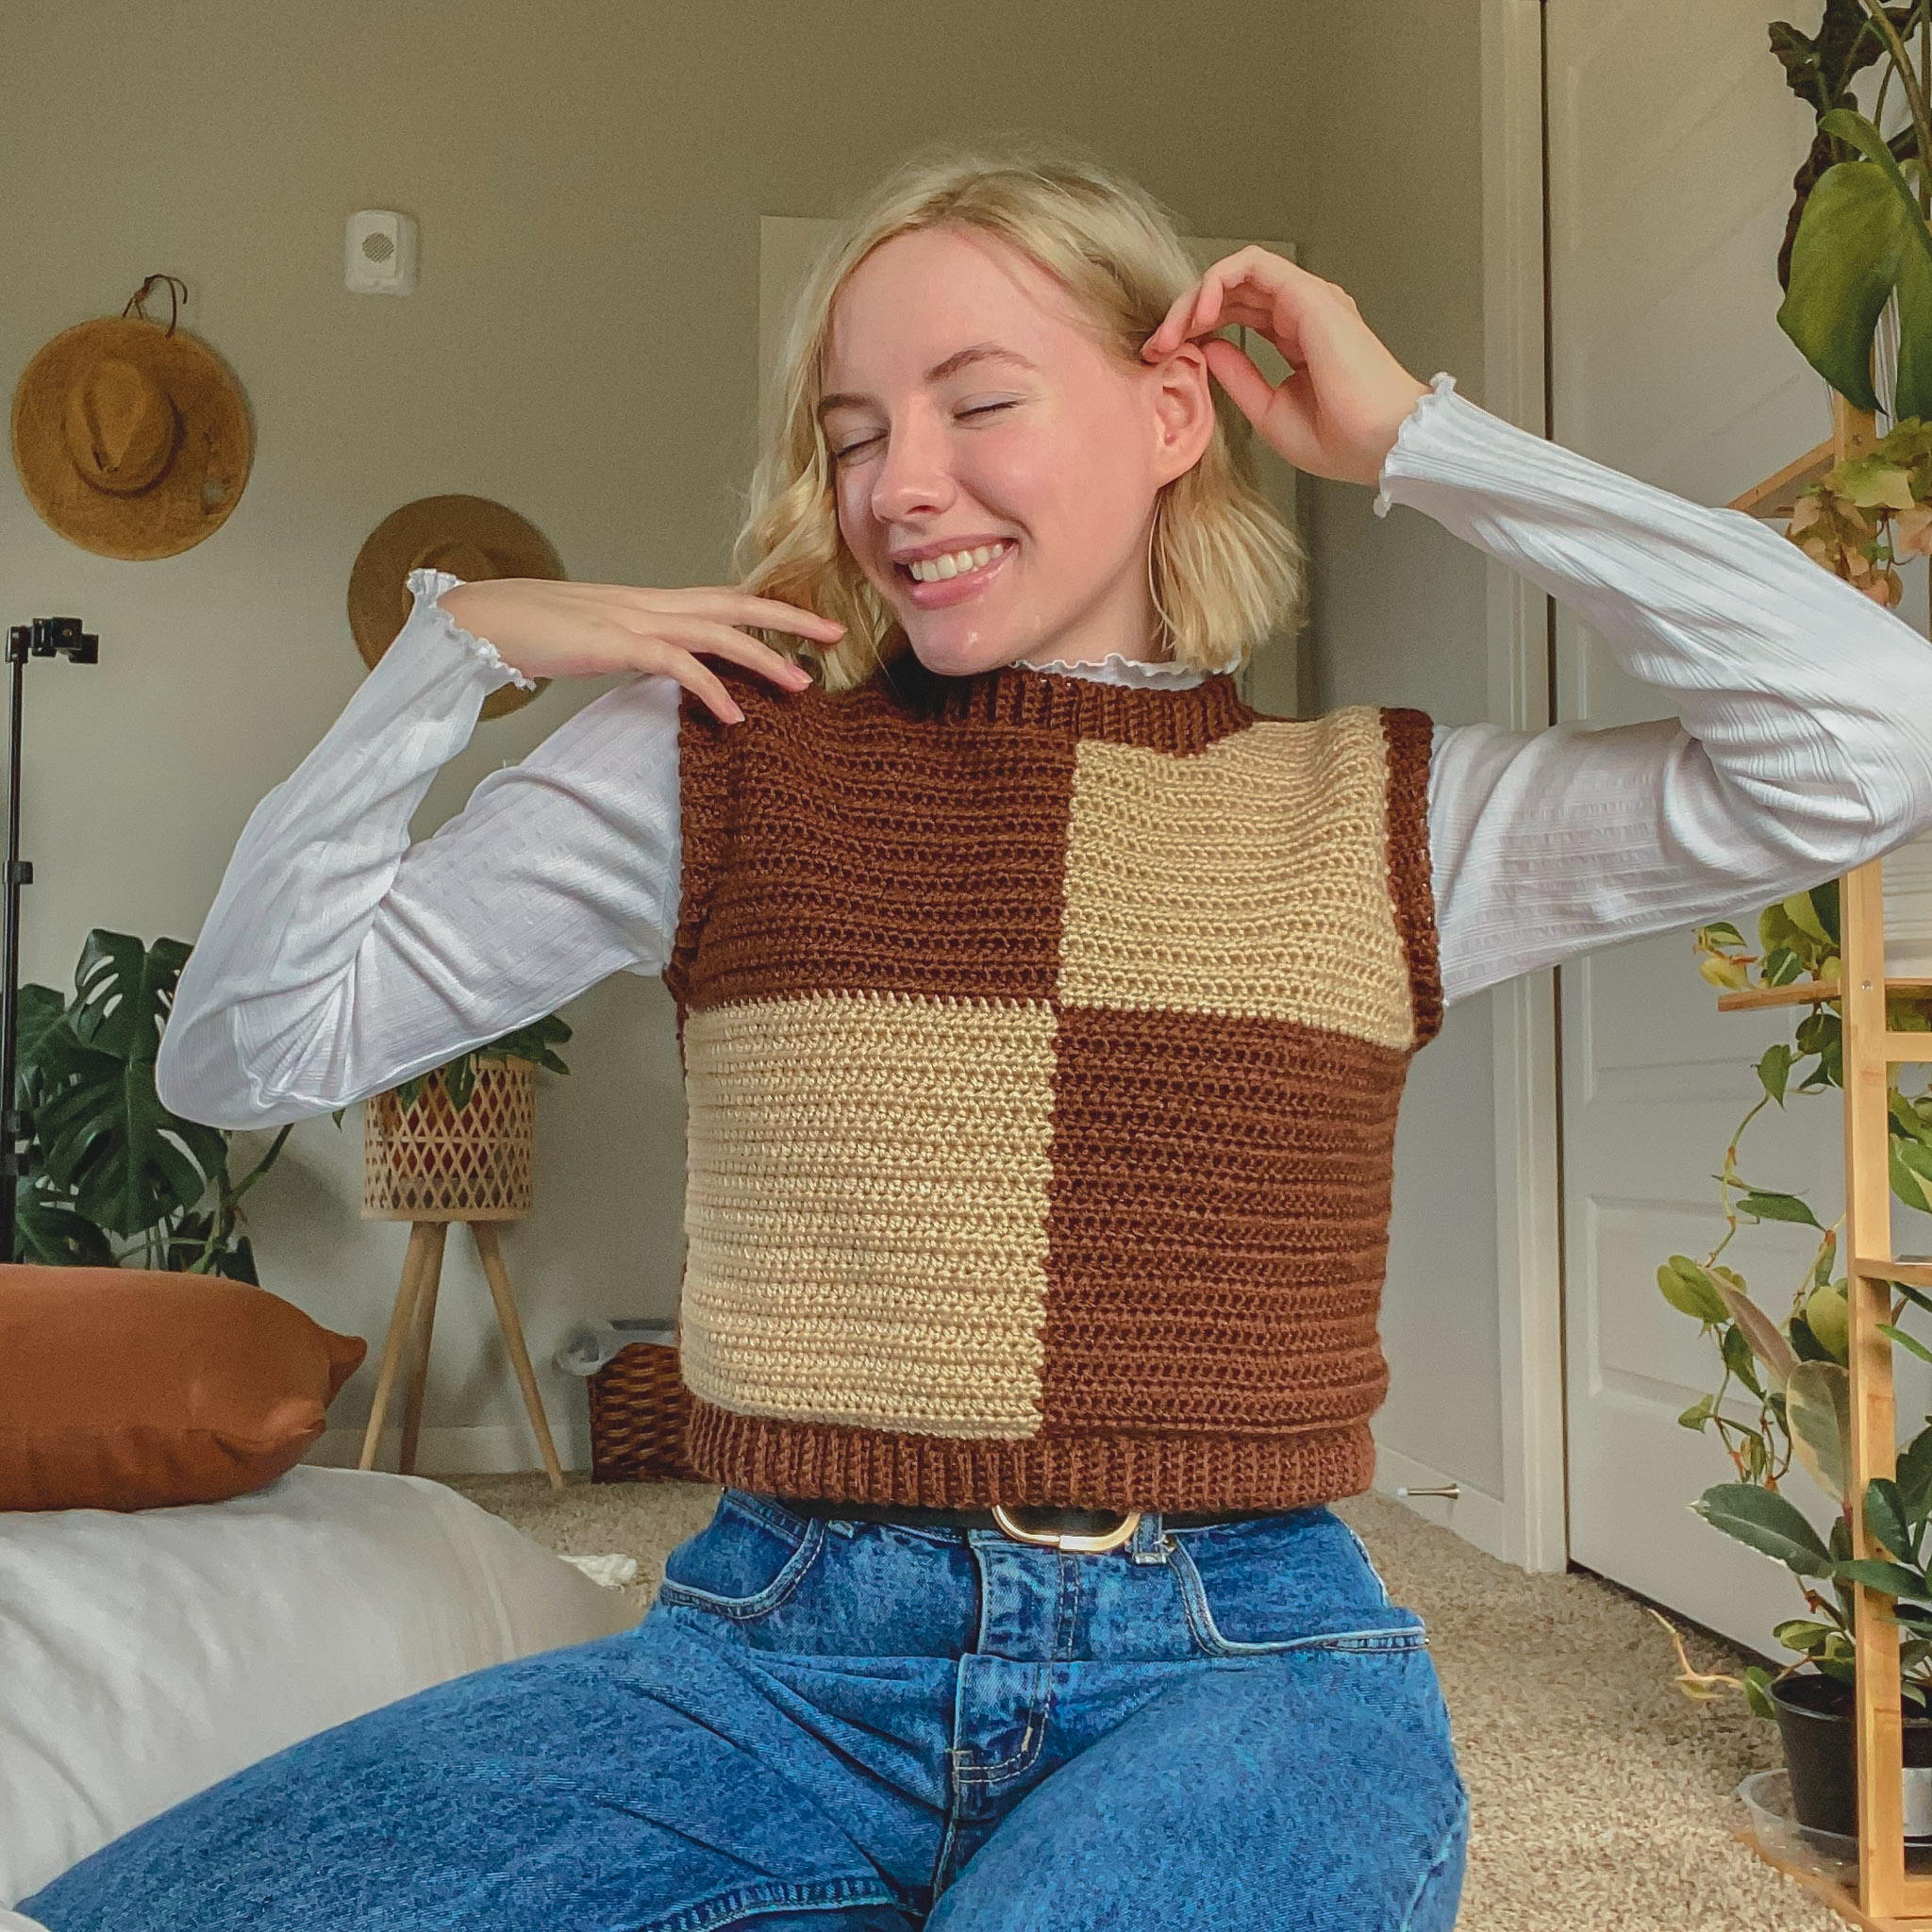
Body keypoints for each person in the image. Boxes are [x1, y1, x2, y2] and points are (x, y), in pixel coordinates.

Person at [25, 138, 1932, 1932]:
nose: (898, 482)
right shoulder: (717, 760)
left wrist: (1418, 437)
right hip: (777, 1651)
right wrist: (460, 653)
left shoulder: (1394, 815)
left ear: (1173, 412)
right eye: (852, 434)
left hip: (1244, 1658)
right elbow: (242, 1051)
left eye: (976, 400)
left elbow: (1873, 731)